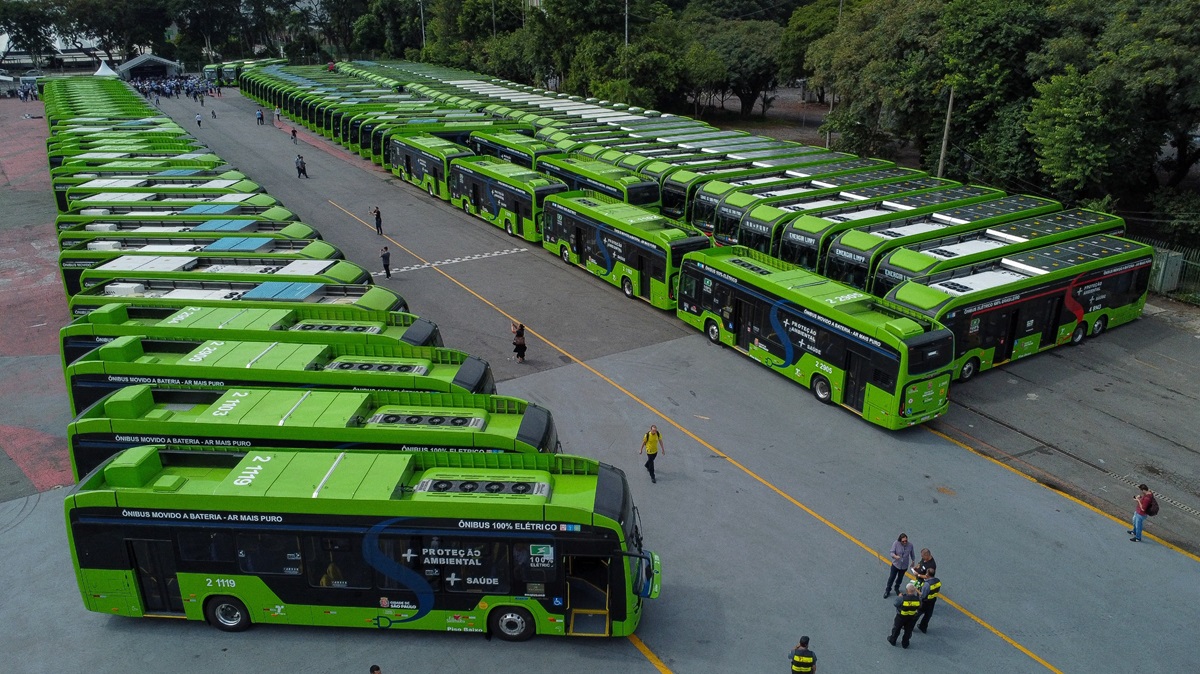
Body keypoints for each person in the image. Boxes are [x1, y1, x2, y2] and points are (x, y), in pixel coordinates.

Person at [887, 583, 920, 648]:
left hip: (901, 617)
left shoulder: (902, 598)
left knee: (896, 629)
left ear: (907, 590)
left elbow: (895, 604)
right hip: (911, 617)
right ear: (914, 591)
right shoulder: (918, 599)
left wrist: (899, 596)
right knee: (908, 630)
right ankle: (905, 643)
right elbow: (919, 606)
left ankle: (893, 640)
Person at [885, 533, 915, 598]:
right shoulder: (896, 543)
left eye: (906, 541)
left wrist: (913, 561)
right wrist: (895, 556)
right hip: (896, 564)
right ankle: (888, 590)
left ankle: (897, 588)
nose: (905, 542)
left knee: (900, 578)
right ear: (900, 540)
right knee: (892, 577)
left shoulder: (910, 545)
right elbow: (891, 552)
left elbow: (912, 554)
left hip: (904, 566)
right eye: (903, 541)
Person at [915, 569, 941, 634]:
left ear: (927, 574)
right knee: (928, 615)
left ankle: (909, 626)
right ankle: (923, 627)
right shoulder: (938, 581)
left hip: (924, 602)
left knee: (916, 614)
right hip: (932, 601)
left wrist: (916, 589)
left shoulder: (927, 584)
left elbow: (922, 595)